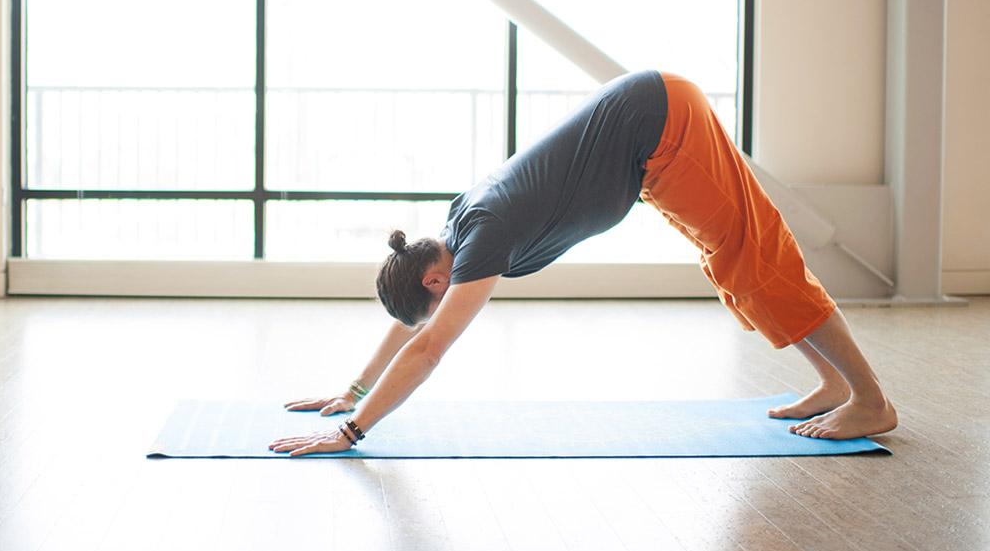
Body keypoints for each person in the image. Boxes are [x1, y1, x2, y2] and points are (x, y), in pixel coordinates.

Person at [269, 71, 897, 457]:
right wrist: (353, 390)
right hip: (651, 140)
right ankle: (836, 385)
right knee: (738, 261)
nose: (441, 305)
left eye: (436, 298)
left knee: (757, 261)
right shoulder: (454, 226)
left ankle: (869, 399)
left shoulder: (482, 239)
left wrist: (351, 431)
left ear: (437, 279)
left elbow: (428, 347)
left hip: (662, 128)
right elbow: (417, 328)